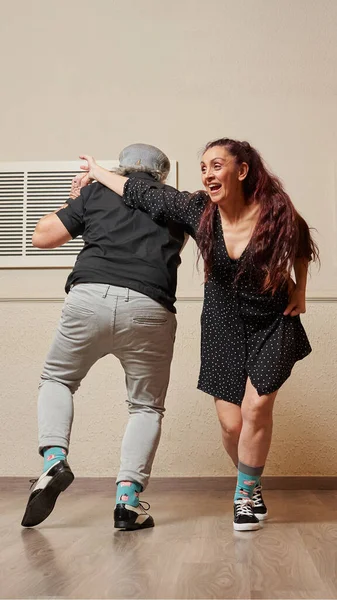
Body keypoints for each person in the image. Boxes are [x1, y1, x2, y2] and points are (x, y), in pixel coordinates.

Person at [78, 138, 318, 531]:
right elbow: (139, 191)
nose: (207, 173)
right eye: (203, 166)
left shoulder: (275, 209)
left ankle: (243, 496)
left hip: (272, 318)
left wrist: (301, 288)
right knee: (231, 424)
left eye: (216, 165)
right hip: (223, 321)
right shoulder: (199, 211)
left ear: (241, 171)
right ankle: (252, 485)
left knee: (257, 407)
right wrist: (97, 173)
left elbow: (302, 241)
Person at [21, 143, 188, 531]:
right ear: (161, 175)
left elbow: (41, 237)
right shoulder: (176, 203)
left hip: (90, 297)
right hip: (151, 306)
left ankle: (53, 462)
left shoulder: (96, 191)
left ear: (121, 169)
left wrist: (75, 199)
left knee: (58, 379)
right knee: (146, 407)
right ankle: (128, 504)